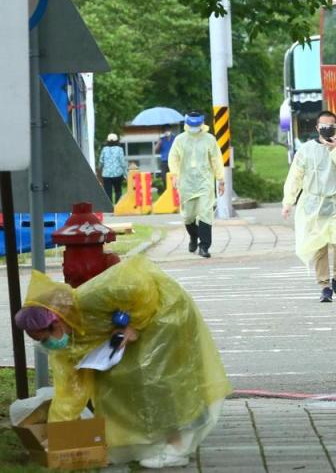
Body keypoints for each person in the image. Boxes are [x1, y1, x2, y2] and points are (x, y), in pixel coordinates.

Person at [13, 257, 231, 469]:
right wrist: (58, 437)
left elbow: (137, 283)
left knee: (160, 380)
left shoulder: (91, 297)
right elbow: (69, 391)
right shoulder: (68, 345)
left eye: (43, 338)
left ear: (56, 321)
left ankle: (178, 448)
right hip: (138, 328)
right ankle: (144, 444)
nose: (46, 344)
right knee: (118, 386)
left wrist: (132, 323)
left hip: (165, 313)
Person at [282, 111, 336, 302]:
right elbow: (295, 176)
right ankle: (324, 286)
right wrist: (288, 201)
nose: (327, 129)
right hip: (313, 204)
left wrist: (335, 150)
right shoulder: (306, 150)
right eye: (323, 126)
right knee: (319, 246)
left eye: (331, 126)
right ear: (317, 128)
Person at [168, 111, 224, 258]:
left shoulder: (209, 139)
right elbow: (173, 158)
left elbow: (216, 159)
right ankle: (193, 237)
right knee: (188, 216)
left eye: (197, 125)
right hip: (186, 183)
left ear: (202, 124)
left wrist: (221, 179)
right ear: (187, 124)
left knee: (206, 213)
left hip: (204, 182)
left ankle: (204, 246)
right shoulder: (180, 140)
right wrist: (174, 175)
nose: (194, 128)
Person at [98, 133, 126, 206]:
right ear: (117, 141)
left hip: (106, 174)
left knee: (108, 192)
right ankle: (118, 205)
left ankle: (109, 207)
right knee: (118, 190)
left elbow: (101, 162)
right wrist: (126, 174)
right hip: (117, 174)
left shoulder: (104, 149)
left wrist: (99, 170)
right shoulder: (120, 149)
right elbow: (122, 163)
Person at [154, 124, 176, 192]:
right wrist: (158, 143)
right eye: (165, 130)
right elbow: (155, 150)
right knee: (164, 178)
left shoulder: (174, 139)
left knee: (174, 177)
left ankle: (174, 190)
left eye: (168, 129)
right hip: (164, 161)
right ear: (163, 131)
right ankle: (167, 191)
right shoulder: (161, 140)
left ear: (170, 130)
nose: (167, 131)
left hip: (173, 161)